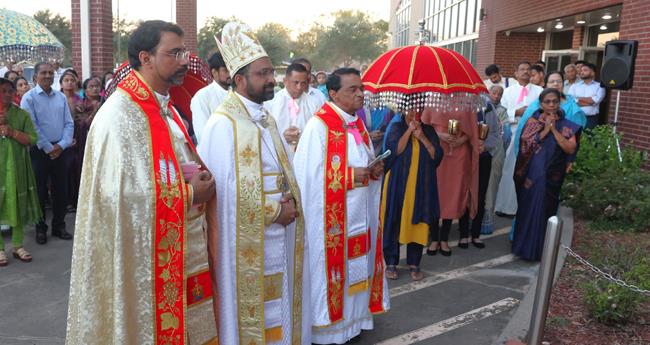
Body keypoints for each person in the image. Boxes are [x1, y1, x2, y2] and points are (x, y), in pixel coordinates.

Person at [65, 20, 219, 343]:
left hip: (183, 250)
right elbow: (120, 200)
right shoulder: (118, 116)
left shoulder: (167, 110)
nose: (182, 60)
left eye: (184, 52)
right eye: (174, 52)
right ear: (145, 57)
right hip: (144, 265)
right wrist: (189, 194)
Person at [198, 21, 310, 344]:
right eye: (262, 74)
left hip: (278, 235)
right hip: (247, 243)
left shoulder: (264, 118)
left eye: (271, 72)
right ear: (239, 79)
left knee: (278, 311)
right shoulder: (223, 125)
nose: (271, 79)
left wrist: (290, 203)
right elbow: (225, 195)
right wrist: (275, 212)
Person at [294, 67, 390, 344]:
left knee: (358, 269)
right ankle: (329, 332)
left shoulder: (356, 123)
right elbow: (307, 178)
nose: (360, 93)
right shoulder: (319, 126)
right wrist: (350, 176)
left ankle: (352, 324)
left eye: (361, 88)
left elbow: (361, 159)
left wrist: (374, 169)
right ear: (333, 93)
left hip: (359, 215)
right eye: (352, 89)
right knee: (335, 273)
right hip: (333, 223)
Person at [512, 89, 580, 261]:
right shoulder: (532, 122)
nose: (551, 105)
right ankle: (523, 248)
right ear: (541, 104)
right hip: (531, 175)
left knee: (546, 210)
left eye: (555, 102)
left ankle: (541, 250)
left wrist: (553, 130)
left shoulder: (567, 125)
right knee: (528, 208)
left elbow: (570, 148)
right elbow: (526, 147)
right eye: (547, 102)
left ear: (559, 103)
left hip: (553, 176)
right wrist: (545, 129)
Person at [381, 109, 443, 281]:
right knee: (394, 219)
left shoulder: (428, 130)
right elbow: (394, 151)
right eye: (411, 108)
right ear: (403, 109)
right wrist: (409, 130)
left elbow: (436, 156)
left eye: (418, 108)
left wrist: (421, 136)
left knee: (419, 220)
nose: (415, 112)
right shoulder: (396, 127)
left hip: (421, 185)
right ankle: (391, 261)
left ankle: (414, 262)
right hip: (397, 184)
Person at [20, 62, 74, 244]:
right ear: (35, 77)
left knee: (61, 191)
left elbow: (69, 123)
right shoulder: (28, 98)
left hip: (60, 150)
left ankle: (59, 226)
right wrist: (49, 148)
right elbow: (33, 127)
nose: (48, 76)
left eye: (51, 73)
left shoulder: (60, 97)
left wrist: (62, 144)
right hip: (40, 151)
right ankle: (40, 228)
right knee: (40, 192)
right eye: (44, 73)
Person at [423, 102, 479, 257]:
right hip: (436, 150)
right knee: (435, 192)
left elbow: (473, 129)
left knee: (452, 194)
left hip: (459, 153)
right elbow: (423, 125)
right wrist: (439, 135)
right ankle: (434, 238)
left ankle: (444, 239)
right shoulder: (432, 97)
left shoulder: (466, 99)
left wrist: (462, 139)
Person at [0, 78, 42, 266]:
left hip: (17, 167)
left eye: (9, 91)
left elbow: (32, 139)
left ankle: (17, 245)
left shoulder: (21, 114)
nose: (7, 94)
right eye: (2, 91)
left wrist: (11, 131)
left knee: (17, 203)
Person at [494, 62, 543, 217]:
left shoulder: (539, 91)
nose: (526, 72)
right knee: (508, 169)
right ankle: (504, 206)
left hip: (533, 136)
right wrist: (516, 112)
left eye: (529, 70)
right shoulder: (508, 91)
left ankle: (522, 208)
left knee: (527, 170)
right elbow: (500, 112)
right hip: (512, 133)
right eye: (522, 69)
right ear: (515, 73)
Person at [264, 63, 320, 149]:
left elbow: (319, 132)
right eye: (296, 82)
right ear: (285, 81)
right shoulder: (271, 103)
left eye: (303, 83)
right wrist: (282, 138)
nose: (299, 87)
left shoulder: (314, 104)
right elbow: (264, 134)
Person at [481, 86, 508, 235]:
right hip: (481, 153)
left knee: (490, 188)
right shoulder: (480, 107)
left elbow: (506, 135)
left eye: (500, 94)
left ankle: (486, 223)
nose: (496, 96)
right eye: (494, 93)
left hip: (496, 153)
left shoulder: (502, 112)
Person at [190, 52, 230, 143]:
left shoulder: (237, 93)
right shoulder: (202, 97)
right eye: (226, 70)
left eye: (231, 69)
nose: (230, 74)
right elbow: (202, 134)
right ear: (214, 72)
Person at [568, 62, 605, 130]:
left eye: (585, 70)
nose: (582, 72)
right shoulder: (574, 86)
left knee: (589, 138)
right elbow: (571, 101)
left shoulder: (599, 86)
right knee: (575, 138)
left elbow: (595, 101)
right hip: (576, 117)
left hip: (591, 119)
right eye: (581, 70)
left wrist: (578, 98)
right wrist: (590, 101)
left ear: (592, 73)